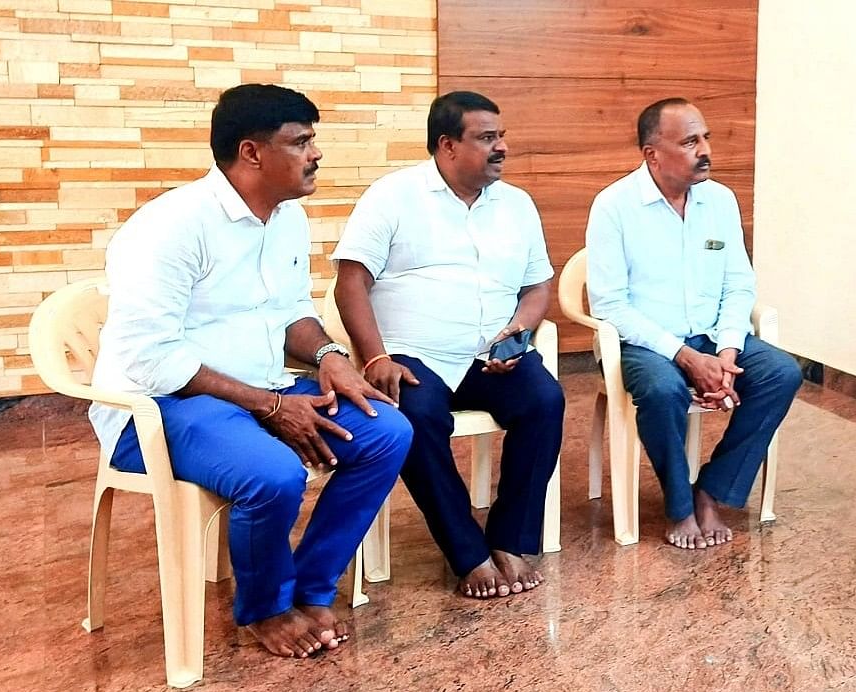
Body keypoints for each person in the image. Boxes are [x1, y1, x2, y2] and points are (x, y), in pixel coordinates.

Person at [90, 84, 413, 659]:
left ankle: (310, 587)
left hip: (262, 391)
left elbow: (291, 314)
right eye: (301, 141)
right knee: (272, 474)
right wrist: (267, 406)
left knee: (387, 432)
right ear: (252, 153)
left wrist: (328, 357)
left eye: (314, 140)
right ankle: (264, 608)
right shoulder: (170, 227)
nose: (316, 154)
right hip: (158, 408)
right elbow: (150, 357)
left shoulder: (285, 218)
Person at [331, 91, 564, 600]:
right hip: (413, 356)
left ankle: (510, 538)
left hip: (490, 356)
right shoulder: (392, 196)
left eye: (501, 135)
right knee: (415, 413)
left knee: (545, 400)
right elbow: (350, 283)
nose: (501, 146)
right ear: (447, 145)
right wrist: (375, 357)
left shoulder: (517, 205)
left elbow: (537, 285)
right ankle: (467, 552)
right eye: (486, 138)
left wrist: (519, 332)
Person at [585, 98, 802, 550]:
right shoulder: (614, 206)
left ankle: (713, 491)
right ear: (652, 153)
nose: (704, 149)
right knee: (663, 389)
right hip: (644, 341)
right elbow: (610, 306)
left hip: (710, 334)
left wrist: (725, 354)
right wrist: (685, 356)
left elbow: (739, 286)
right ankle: (680, 505)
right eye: (689, 141)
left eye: (705, 138)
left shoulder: (719, 200)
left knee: (781, 372)